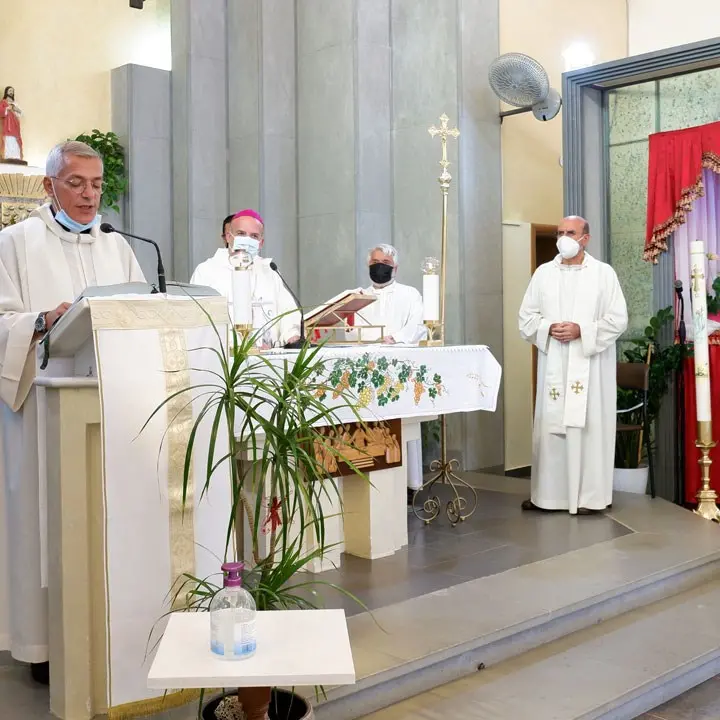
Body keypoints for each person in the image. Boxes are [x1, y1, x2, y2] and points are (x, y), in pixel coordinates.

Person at [0, 140, 145, 683]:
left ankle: (105, 624)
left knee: (102, 514)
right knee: (43, 520)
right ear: (48, 186)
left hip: (107, 405)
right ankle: (44, 642)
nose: (89, 196)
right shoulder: (13, 243)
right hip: (40, 407)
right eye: (76, 183)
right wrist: (42, 319)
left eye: (96, 185)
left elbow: (137, 311)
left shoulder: (116, 245)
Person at [518, 216, 627, 515]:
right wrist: (548, 328)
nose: (564, 238)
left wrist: (582, 331)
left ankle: (590, 497)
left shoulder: (603, 274)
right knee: (553, 430)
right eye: (560, 232)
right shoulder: (543, 274)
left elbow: (618, 319)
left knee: (587, 428)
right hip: (555, 361)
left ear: (585, 238)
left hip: (590, 367)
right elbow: (526, 319)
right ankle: (549, 496)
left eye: (571, 233)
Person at [190, 209, 301, 348]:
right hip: (225, 358)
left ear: (261, 243)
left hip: (269, 355)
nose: (247, 240)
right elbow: (198, 318)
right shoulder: (207, 271)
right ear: (229, 236)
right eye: (241, 234)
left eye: (254, 236)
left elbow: (287, 311)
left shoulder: (269, 270)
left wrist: (292, 335)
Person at [353, 244, 425, 345]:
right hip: (367, 352)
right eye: (375, 262)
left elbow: (417, 324)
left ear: (395, 268)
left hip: (402, 352)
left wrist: (394, 338)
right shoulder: (358, 297)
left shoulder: (410, 294)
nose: (379, 266)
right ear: (369, 265)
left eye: (385, 262)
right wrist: (378, 340)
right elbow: (353, 330)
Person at [0, 86, 23, 162]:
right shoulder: (3, 102)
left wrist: (17, 109)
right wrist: (7, 108)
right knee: (9, 142)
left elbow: (20, 114)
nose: (11, 92)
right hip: (8, 127)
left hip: (15, 127)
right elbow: (1, 112)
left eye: (12, 91)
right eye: (10, 90)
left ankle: (16, 158)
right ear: (6, 92)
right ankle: (8, 158)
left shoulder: (15, 103)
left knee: (16, 143)